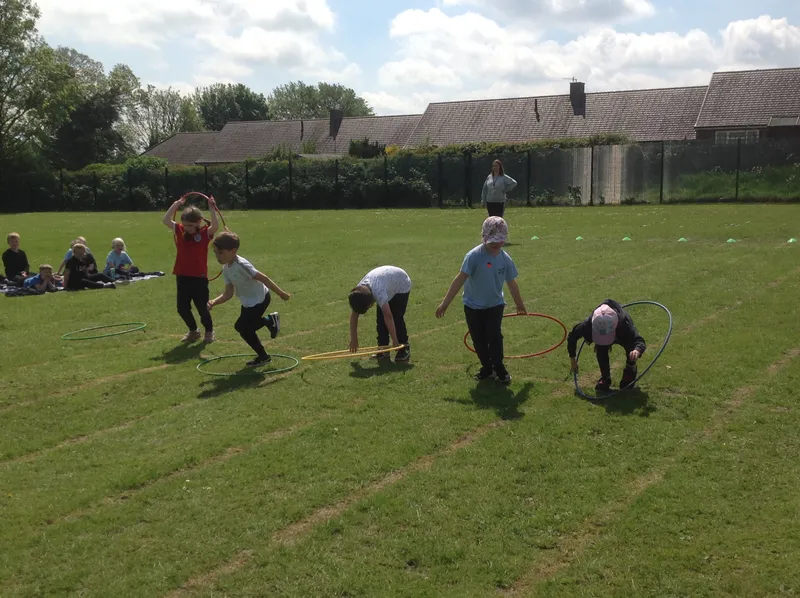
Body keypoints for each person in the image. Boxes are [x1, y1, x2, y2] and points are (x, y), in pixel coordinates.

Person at [435, 216, 526, 384]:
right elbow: (460, 279)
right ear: (484, 238)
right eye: (492, 243)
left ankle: (500, 369)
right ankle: (487, 368)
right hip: (472, 306)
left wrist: (519, 303)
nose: (496, 246)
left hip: (495, 305)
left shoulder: (505, 259)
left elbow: (512, 283)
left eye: (499, 242)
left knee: (494, 337)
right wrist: (445, 303)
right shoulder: (474, 256)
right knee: (478, 339)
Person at [207, 231, 290, 367]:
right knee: (244, 328)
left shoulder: (242, 265)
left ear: (233, 251)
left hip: (260, 299)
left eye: (221, 253)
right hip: (248, 303)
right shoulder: (226, 269)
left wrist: (281, 293)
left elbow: (264, 278)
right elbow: (228, 293)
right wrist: (214, 302)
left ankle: (269, 323)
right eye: (215, 252)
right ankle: (264, 354)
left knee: (242, 327)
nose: (217, 256)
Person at [162, 196, 219, 343]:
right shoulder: (180, 231)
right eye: (185, 224)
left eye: (189, 225)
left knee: (202, 307)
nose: (186, 227)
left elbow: (216, 227)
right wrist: (176, 204)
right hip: (182, 275)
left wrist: (212, 208)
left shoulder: (204, 233)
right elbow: (166, 220)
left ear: (198, 223)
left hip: (199, 277)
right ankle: (193, 331)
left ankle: (209, 331)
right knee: (182, 308)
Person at [567, 299, 647, 392]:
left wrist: (637, 350)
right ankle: (605, 378)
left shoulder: (625, 325)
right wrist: (573, 359)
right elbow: (572, 336)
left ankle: (629, 371)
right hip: (607, 330)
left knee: (631, 351)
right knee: (601, 349)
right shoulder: (588, 324)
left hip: (621, 333)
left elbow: (639, 341)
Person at [348, 266, 412, 362]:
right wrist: (354, 339)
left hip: (401, 283)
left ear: (371, 303)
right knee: (380, 320)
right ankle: (383, 349)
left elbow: (388, 316)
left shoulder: (378, 292)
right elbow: (354, 315)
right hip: (386, 282)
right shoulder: (358, 292)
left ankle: (403, 348)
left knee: (396, 317)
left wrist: (395, 340)